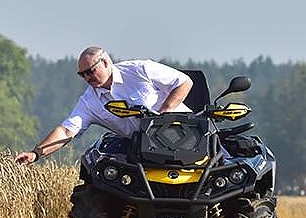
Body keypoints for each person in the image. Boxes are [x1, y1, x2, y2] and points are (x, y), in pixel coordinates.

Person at [15, 46, 193, 164]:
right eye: (82, 75)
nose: (87, 78)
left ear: (106, 62)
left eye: (90, 71)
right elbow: (66, 131)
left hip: (188, 139)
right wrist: (35, 154)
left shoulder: (141, 70)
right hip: (145, 154)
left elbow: (184, 82)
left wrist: (163, 114)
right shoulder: (89, 102)